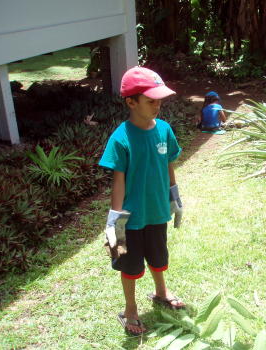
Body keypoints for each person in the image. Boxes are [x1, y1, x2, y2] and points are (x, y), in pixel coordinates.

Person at [99, 66, 185, 336]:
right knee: (130, 265)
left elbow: (169, 164)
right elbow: (119, 181)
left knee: (159, 257)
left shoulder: (164, 130)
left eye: (160, 99)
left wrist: (174, 197)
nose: (158, 105)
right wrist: (115, 221)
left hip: (158, 212)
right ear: (131, 102)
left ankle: (161, 292)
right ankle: (130, 310)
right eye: (151, 101)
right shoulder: (120, 138)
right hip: (131, 218)